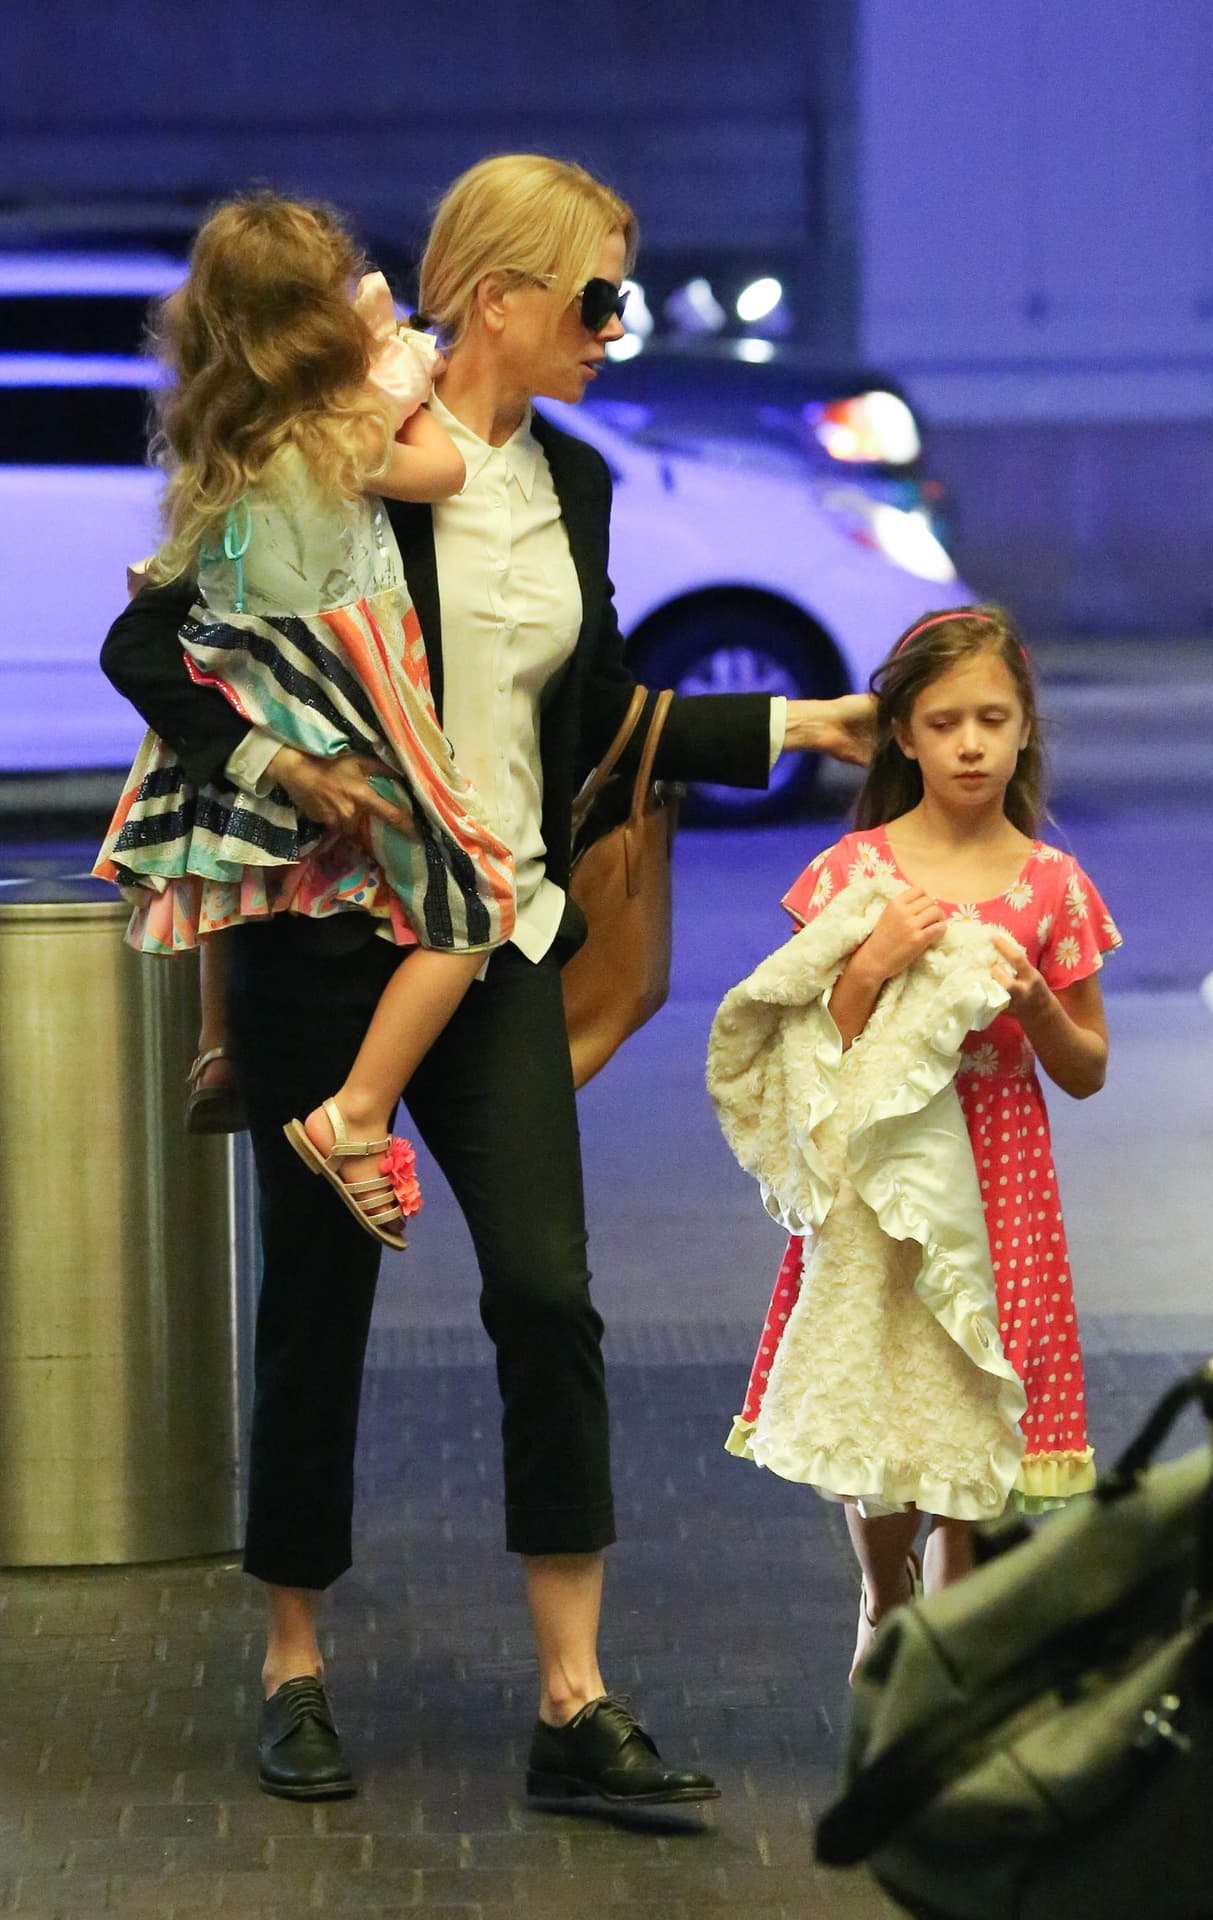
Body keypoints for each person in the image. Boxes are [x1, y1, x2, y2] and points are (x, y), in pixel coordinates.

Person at [99, 153, 878, 1805]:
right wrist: (264, 769)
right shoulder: (354, 443)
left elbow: (592, 708)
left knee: (546, 1296)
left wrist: (797, 728)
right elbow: (164, 637)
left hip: (501, 938)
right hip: (326, 942)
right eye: (597, 296)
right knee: (315, 1310)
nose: (616, 326)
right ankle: (294, 1660)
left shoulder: (573, 483)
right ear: (505, 297)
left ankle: (572, 1701)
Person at [94, 193, 516, 1248]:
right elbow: (449, 466)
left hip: (264, 715)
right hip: (352, 713)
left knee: (251, 879)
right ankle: (356, 1117)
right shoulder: (338, 435)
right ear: (315, 319)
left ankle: (218, 1040)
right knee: (473, 898)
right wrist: (397, 351)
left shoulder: (221, 444)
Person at [709, 605, 1119, 1680]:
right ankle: (883, 1592)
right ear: (902, 736)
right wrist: (866, 965)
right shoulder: (851, 876)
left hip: (1002, 1179)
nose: (970, 743)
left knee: (976, 1396)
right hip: (875, 1181)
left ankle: (948, 1645)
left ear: (1026, 729)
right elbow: (804, 1045)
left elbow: (1085, 1069)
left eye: (991, 719)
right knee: (882, 1386)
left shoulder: (1051, 887)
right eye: (944, 722)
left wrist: (1032, 1004)